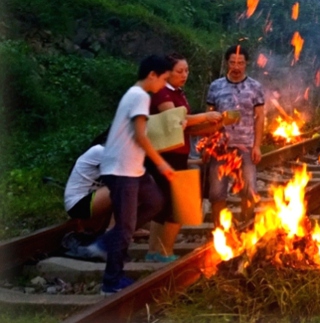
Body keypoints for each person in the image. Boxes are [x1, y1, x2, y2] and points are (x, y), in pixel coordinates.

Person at [95, 55, 175, 295]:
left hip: (133, 169)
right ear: (152, 75)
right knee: (126, 226)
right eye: (164, 79)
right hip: (122, 170)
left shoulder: (135, 95)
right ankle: (111, 282)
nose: (163, 84)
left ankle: (108, 242)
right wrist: (161, 164)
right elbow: (141, 135)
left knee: (155, 202)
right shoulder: (140, 96)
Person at [145, 55, 221, 263]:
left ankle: (154, 251)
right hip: (165, 154)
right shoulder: (161, 92)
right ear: (167, 72)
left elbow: (185, 125)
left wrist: (211, 127)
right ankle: (164, 252)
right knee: (177, 204)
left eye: (187, 71)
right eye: (180, 71)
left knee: (165, 203)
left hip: (177, 152)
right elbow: (175, 121)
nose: (184, 75)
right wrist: (206, 116)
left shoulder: (177, 93)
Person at [206, 45, 265, 225]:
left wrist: (257, 146)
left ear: (246, 63)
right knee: (216, 193)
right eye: (233, 62)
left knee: (249, 190)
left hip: (246, 146)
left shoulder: (255, 87)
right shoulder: (216, 86)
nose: (236, 67)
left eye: (240, 63)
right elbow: (208, 117)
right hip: (220, 147)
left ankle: (246, 227)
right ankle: (219, 231)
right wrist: (207, 144)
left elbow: (260, 117)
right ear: (227, 64)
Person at [64, 131, 112, 233]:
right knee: (124, 187)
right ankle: (115, 233)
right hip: (78, 204)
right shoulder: (100, 151)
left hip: (93, 201)